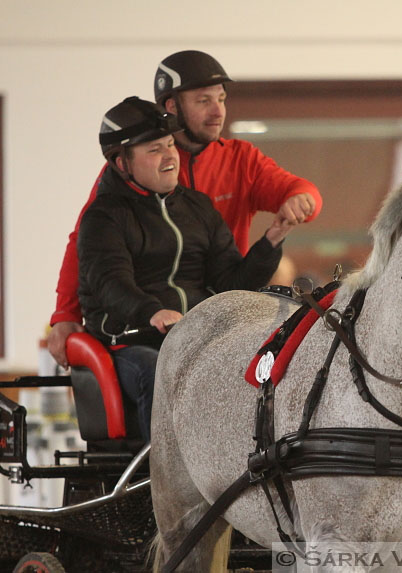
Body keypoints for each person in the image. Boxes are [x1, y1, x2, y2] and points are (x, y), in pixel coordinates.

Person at [48, 50, 322, 367]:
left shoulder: (239, 161)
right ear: (172, 106)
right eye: (203, 101)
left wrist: (301, 202)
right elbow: (87, 244)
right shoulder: (126, 179)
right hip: (149, 330)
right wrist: (65, 314)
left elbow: (301, 193)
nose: (218, 111)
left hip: (218, 319)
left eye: (221, 99)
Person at [78, 97, 289, 441]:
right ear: (121, 162)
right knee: (156, 371)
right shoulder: (103, 217)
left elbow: (230, 283)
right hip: (128, 343)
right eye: (153, 150)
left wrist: (270, 244)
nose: (170, 156)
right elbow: (109, 284)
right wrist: (153, 313)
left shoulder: (198, 207)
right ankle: (157, 483)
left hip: (194, 337)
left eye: (170, 145)